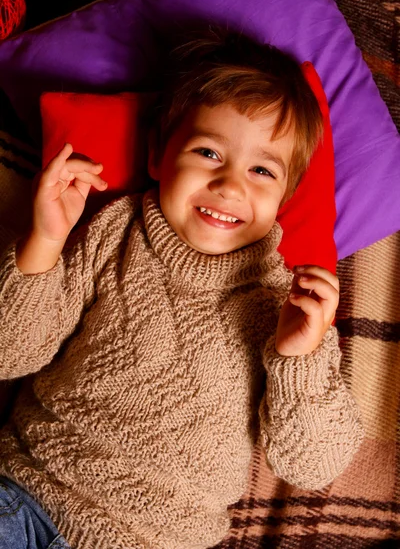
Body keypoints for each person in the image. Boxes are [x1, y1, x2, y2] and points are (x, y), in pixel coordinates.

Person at [0, 28, 364, 549]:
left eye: (262, 170)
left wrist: (299, 361)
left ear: (285, 196)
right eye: (209, 153)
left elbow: (312, 463)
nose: (232, 185)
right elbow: (8, 353)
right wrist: (45, 241)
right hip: (28, 499)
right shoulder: (115, 232)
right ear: (157, 156)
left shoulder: (289, 308)